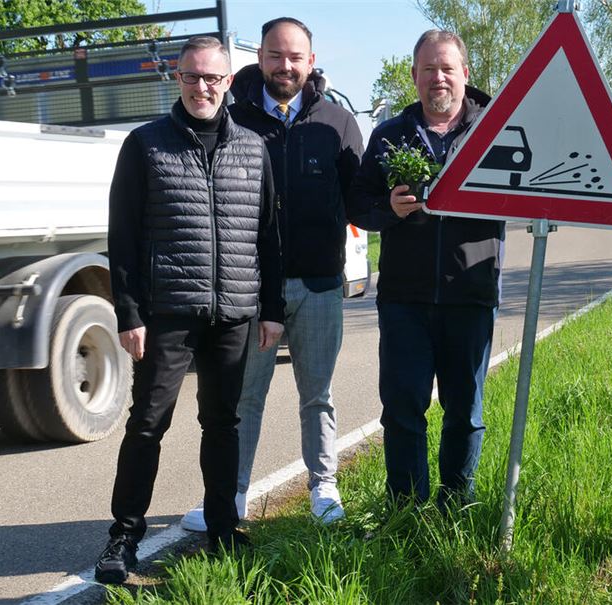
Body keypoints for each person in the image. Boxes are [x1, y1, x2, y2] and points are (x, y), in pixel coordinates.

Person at [95, 36, 285, 585]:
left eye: (213, 78)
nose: (202, 87)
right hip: (167, 313)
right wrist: (128, 312)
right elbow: (123, 236)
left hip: (233, 311)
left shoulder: (253, 148)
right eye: (191, 77)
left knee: (223, 423)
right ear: (176, 79)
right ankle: (124, 537)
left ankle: (224, 529)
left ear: (229, 82)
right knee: (148, 423)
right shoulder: (146, 145)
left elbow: (268, 237)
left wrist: (270, 308)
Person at [179, 17, 364, 530]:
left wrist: (403, 204)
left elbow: (361, 198)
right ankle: (232, 494)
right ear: (258, 58)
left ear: (311, 60)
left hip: (321, 282)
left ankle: (323, 487)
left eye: (295, 56)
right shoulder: (232, 119)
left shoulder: (338, 122)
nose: (285, 66)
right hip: (252, 290)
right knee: (244, 399)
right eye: (275, 55)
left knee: (318, 394)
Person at [348, 30, 503, 509]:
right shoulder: (389, 135)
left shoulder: (495, 131)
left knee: (466, 412)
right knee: (402, 411)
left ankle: (456, 505)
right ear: (414, 76)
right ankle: (406, 509)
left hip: (470, 294)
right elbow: (358, 205)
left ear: (465, 74)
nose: (438, 78)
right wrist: (387, 210)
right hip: (404, 300)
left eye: (447, 68)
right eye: (428, 69)